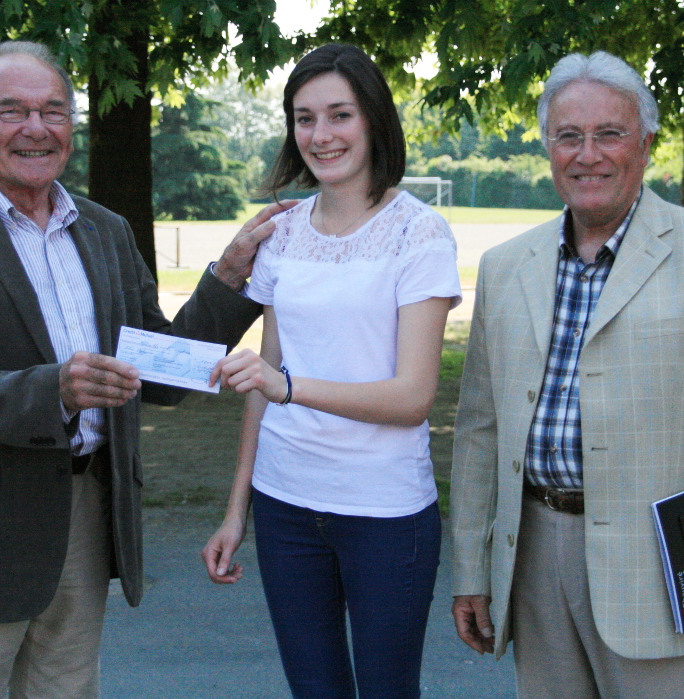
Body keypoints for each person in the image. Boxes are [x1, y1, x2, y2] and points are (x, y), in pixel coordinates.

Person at [0, 40, 287, 699]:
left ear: (72, 125)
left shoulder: (104, 229)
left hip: (89, 516)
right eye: (12, 111)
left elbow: (155, 371)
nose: (36, 128)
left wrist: (227, 279)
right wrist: (54, 390)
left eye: (54, 111)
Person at [449, 51, 684, 698]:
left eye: (609, 134)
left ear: (645, 144)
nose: (588, 154)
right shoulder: (505, 266)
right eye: (568, 136)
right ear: (548, 149)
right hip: (534, 562)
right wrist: (472, 567)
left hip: (666, 571)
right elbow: (480, 429)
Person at [202, 44, 461, 698]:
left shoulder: (420, 233)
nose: (321, 135)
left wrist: (287, 386)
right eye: (304, 118)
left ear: (373, 119)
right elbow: (266, 372)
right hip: (286, 506)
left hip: (385, 512)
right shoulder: (282, 234)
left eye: (339, 115)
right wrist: (239, 510)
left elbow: (412, 397)